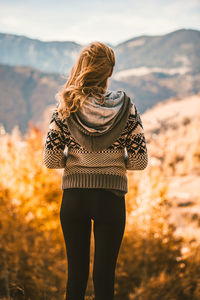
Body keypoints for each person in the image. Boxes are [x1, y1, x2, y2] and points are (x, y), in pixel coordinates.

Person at [43, 41, 148, 300]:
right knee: (104, 280)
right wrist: (111, 163)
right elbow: (139, 162)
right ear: (109, 72)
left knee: (75, 278)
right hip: (110, 200)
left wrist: (80, 162)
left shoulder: (66, 106)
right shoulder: (127, 108)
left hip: (74, 199)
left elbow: (51, 159)